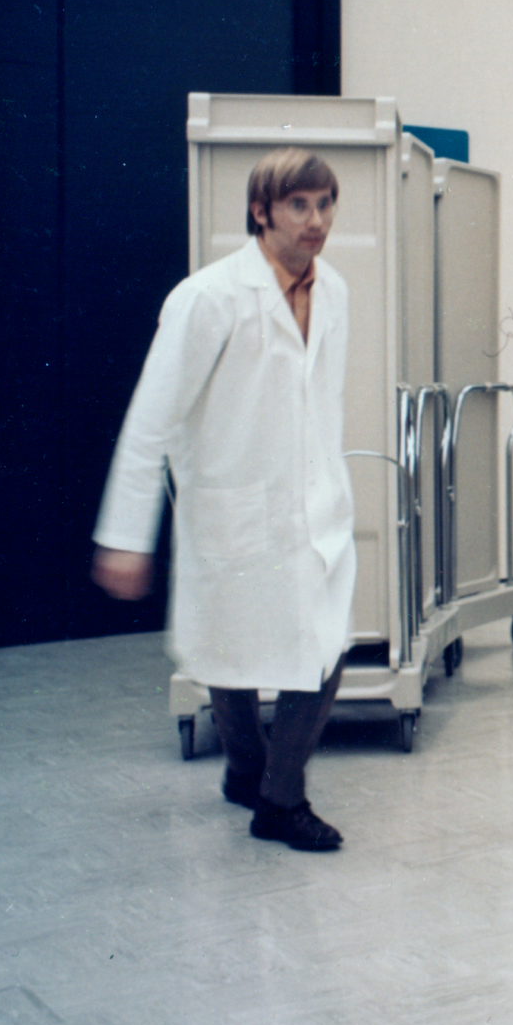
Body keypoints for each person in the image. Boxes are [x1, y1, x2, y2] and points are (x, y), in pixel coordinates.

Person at [92, 148, 356, 851]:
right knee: (231, 649)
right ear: (260, 211)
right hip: (234, 505)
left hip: (313, 506)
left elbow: (320, 402)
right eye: (299, 205)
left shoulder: (334, 294)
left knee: (327, 646)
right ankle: (253, 777)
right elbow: (152, 421)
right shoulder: (206, 298)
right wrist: (126, 535)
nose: (316, 221)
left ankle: (275, 790)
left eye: (325, 204)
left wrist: (333, 487)